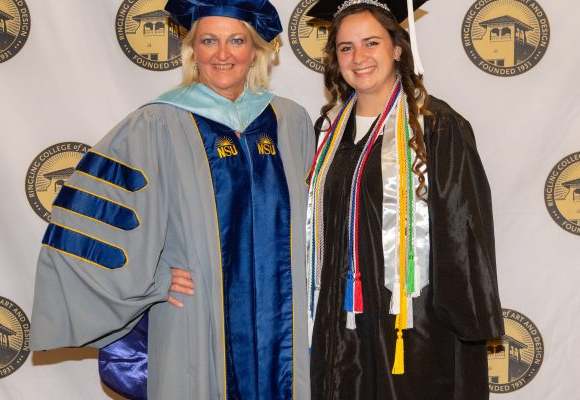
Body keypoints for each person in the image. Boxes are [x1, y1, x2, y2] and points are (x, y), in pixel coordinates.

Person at [29, 1, 314, 399]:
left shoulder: (290, 120)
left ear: (256, 51)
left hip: (284, 317)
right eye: (208, 41)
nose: (222, 54)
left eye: (237, 41)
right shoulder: (156, 123)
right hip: (198, 317)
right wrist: (154, 279)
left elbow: (315, 222)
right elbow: (102, 213)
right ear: (192, 50)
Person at [304, 0, 504, 399]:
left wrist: (463, 324)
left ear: (397, 48)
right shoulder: (328, 130)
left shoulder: (435, 125)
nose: (358, 58)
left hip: (413, 319)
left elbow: (463, 226)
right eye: (346, 47)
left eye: (371, 43)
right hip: (340, 316)